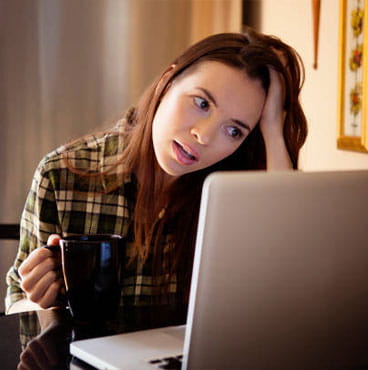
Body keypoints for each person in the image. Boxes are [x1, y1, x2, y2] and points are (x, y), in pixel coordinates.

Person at [5, 26, 307, 315]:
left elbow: (285, 278)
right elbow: (16, 305)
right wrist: (41, 301)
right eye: (201, 103)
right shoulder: (62, 175)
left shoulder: (233, 198)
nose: (204, 136)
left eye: (233, 131)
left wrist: (272, 129)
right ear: (167, 82)